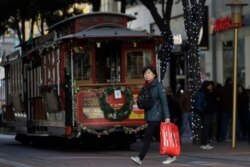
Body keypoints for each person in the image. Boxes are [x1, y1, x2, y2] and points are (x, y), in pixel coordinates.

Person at [130, 65, 176, 165]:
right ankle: (172, 156)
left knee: (147, 136)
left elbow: (164, 102)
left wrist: (167, 117)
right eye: (145, 73)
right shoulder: (146, 86)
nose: (146, 75)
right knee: (160, 137)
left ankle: (139, 158)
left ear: (154, 74)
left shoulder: (159, 86)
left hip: (157, 115)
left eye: (149, 73)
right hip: (149, 115)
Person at [194, 80, 215, 149]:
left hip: (207, 112)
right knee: (206, 127)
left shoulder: (206, 92)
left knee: (207, 127)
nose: (211, 86)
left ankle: (206, 143)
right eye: (209, 85)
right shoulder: (203, 92)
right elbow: (204, 103)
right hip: (205, 112)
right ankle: (204, 143)